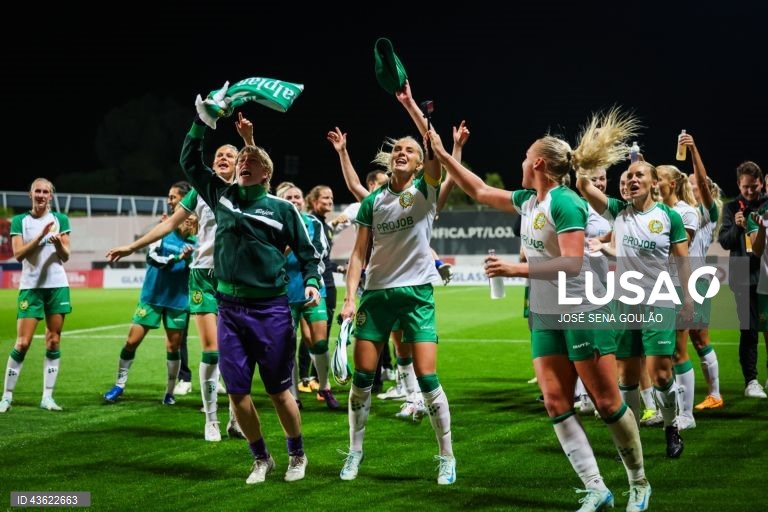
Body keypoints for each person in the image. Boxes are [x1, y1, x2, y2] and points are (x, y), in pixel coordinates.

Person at [429, 109, 652, 511]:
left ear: (537, 163)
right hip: (548, 313)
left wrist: (516, 268)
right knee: (555, 401)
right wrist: (444, 153)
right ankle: (597, 487)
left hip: (583, 307)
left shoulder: (565, 202)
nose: (519, 162)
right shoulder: (532, 201)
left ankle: (639, 482)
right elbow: (478, 190)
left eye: (523, 156)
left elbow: (571, 263)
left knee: (605, 403)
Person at [180, 105, 321, 484]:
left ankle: (297, 454)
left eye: (250, 159)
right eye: (240, 158)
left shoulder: (281, 210)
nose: (243, 162)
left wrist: (310, 281)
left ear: (266, 173)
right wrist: (202, 120)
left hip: (271, 310)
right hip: (229, 308)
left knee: (278, 392)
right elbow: (189, 162)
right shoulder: (220, 195)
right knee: (237, 393)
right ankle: (261, 458)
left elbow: (308, 254)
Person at [105, 113, 256, 441]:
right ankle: (211, 419)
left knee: (238, 352)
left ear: (238, 163)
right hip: (202, 276)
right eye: (218, 156)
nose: (222, 159)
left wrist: (247, 139)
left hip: (235, 279)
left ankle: (234, 419)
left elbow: (259, 169)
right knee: (212, 351)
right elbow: (168, 225)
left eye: (229, 155)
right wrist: (132, 245)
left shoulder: (245, 191)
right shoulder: (199, 193)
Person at [338, 81, 456, 485]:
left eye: (410, 150)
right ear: (390, 161)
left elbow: (433, 144)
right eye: (397, 150)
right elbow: (358, 255)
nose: (401, 152)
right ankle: (354, 452)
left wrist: (409, 105)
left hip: (417, 296)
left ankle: (446, 456)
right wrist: (350, 297)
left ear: (421, 163)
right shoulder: (373, 202)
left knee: (427, 380)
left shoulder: (425, 190)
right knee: (362, 381)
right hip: (376, 295)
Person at [102, 207, 197, 406]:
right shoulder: (162, 232)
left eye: (193, 217)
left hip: (178, 301)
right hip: (152, 296)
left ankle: (169, 393)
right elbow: (152, 258)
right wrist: (177, 258)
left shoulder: (197, 244)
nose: (189, 219)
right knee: (131, 341)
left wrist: (190, 259)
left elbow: (199, 272)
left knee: (173, 347)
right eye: (187, 215)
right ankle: (119, 385)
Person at [0, 178, 71, 413]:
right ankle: (7, 396)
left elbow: (66, 255)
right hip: (31, 287)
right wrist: (41, 236)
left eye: (45, 192)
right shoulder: (21, 221)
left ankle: (47, 397)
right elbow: (19, 254)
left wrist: (58, 243)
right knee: (22, 343)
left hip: (57, 285)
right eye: (37, 191)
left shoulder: (60, 220)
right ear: (30, 195)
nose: (41, 195)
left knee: (53, 340)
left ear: (51, 196)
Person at [275, 182, 340, 410]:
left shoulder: (313, 223)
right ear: (281, 201)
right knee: (288, 345)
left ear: (303, 201)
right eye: (289, 197)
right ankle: (293, 395)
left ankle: (324, 387)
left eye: (297, 197)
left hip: (313, 287)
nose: (294, 200)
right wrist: (289, 247)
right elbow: (272, 258)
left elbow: (320, 252)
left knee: (320, 341)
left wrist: (301, 246)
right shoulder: (276, 223)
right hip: (285, 292)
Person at [681, 133, 725, 411]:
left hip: (694, 282)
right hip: (688, 281)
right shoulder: (683, 211)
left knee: (687, 341)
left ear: (703, 189)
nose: (690, 185)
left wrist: (694, 149)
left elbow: (701, 176)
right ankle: (713, 394)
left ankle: (709, 396)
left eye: (693, 183)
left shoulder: (706, 213)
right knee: (695, 339)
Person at [718, 161, 768, 398]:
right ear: (739, 184)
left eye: (754, 186)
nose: (750, 191)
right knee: (748, 330)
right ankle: (751, 381)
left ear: (761, 183)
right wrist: (738, 228)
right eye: (746, 187)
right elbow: (725, 242)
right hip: (742, 274)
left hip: (766, 271)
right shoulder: (730, 208)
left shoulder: (767, 204)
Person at [166, 181, 194, 396]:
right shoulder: (171, 225)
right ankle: (184, 378)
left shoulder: (201, 219)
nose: (169, 201)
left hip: (205, 285)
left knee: (217, 334)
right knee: (180, 337)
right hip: (180, 291)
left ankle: (218, 375)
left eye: (173, 197)